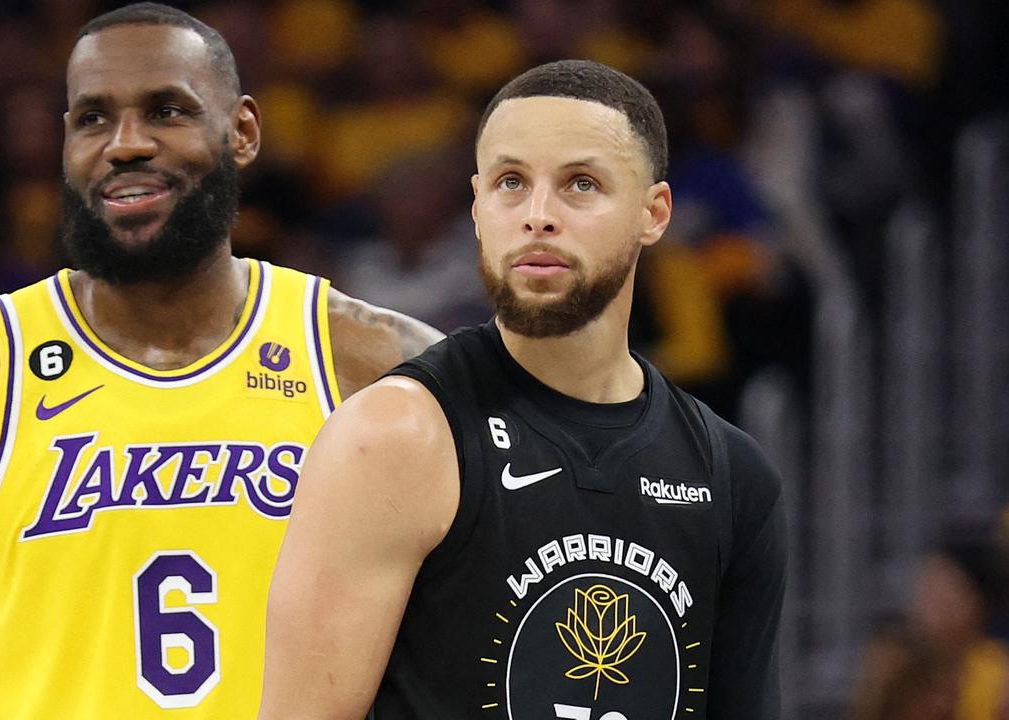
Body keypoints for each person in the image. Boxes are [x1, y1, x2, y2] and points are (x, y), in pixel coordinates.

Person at [0, 4, 440, 719]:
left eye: (166, 110)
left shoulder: (375, 367)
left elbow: (522, 598)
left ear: (243, 132)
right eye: (92, 119)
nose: (125, 143)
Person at [260, 59, 788, 720]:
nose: (538, 215)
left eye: (581, 184)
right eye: (512, 183)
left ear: (652, 214)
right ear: (478, 207)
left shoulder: (734, 477)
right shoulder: (393, 436)